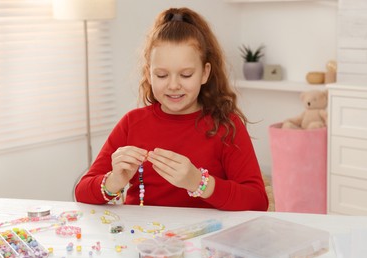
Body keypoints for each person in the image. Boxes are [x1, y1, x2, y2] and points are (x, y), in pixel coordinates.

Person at [75, 7, 269, 211]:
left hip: (204, 238)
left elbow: (257, 201)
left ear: (205, 73)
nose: (173, 85)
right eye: (161, 75)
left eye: (185, 75)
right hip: (140, 239)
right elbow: (82, 192)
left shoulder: (226, 125)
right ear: (148, 74)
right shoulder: (132, 123)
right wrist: (114, 180)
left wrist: (199, 182)